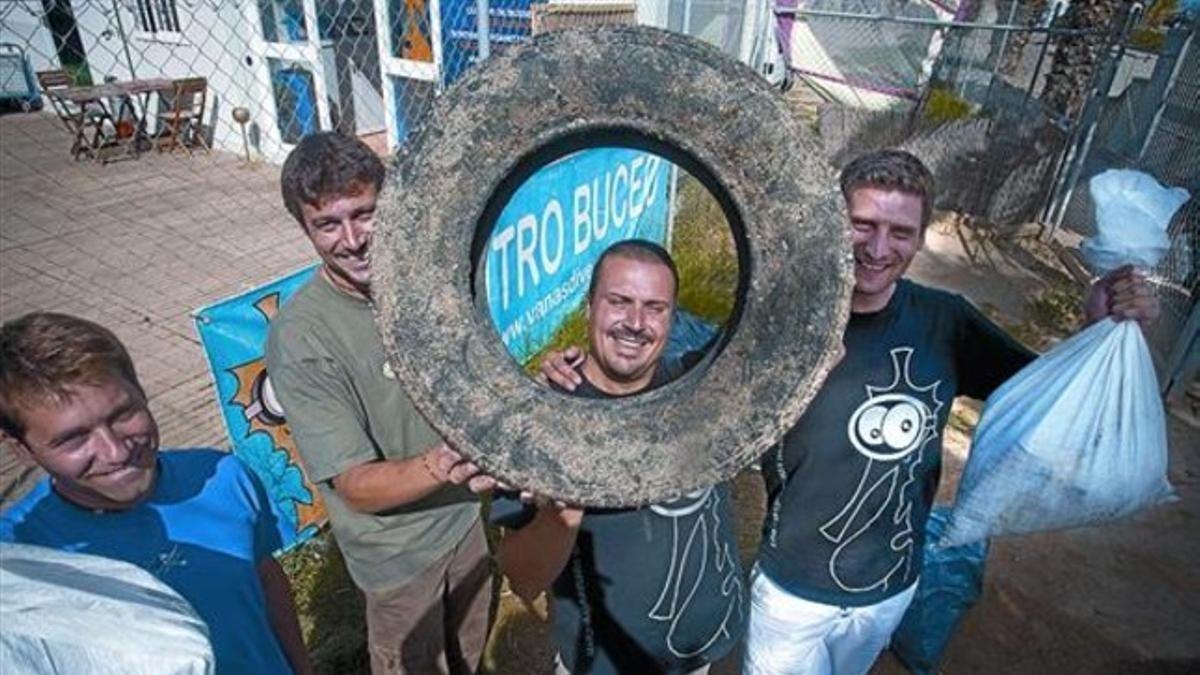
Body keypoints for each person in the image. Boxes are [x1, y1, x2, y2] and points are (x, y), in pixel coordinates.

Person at [544, 150, 1160, 675]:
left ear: (920, 239)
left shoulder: (947, 323)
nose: (878, 248)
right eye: (862, 225)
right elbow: (684, 382)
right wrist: (585, 379)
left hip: (889, 590)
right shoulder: (783, 323)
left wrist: (1095, 329)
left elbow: (1048, 402)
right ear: (833, 225)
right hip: (789, 595)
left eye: (900, 233)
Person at [265, 131, 492, 675]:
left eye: (365, 214)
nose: (352, 239)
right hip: (397, 561)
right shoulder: (302, 338)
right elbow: (356, 488)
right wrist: (449, 460)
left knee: (471, 657)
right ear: (306, 229)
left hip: (465, 520)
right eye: (327, 223)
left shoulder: (426, 284)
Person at [0, 312, 312, 675]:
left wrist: (301, 668)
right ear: (20, 448)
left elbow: (265, 577)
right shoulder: (22, 559)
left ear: (141, 392)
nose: (116, 452)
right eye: (73, 439)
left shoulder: (223, 477)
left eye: (123, 414)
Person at [494, 239, 747, 675]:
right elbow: (524, 578)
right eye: (619, 302)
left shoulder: (702, 389)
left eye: (655, 307)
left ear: (671, 318)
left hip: (701, 652)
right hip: (603, 664)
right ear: (588, 306)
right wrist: (562, 515)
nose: (635, 323)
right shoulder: (537, 420)